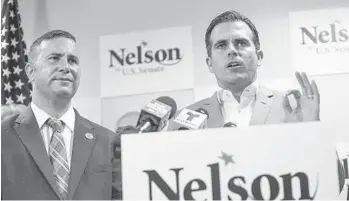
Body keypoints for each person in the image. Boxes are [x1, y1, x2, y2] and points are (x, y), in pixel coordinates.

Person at [1, 30, 121, 200]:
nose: (66, 67)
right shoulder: (3, 137)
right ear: (30, 71)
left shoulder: (109, 141)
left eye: (73, 60)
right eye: (54, 58)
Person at [179, 10, 320, 128]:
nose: (232, 51)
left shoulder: (292, 108)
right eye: (221, 45)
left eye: (241, 43)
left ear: (258, 57)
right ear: (209, 64)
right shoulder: (183, 120)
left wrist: (311, 129)